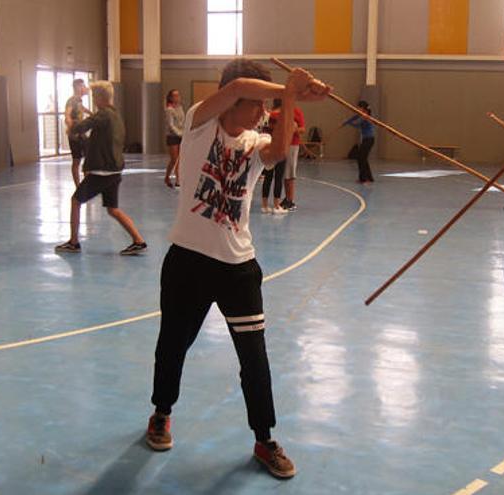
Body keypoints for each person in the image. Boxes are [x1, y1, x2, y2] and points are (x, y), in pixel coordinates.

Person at [145, 59, 330, 479]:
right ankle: (161, 413)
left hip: (237, 268)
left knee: (255, 359)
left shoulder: (254, 140)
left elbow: (280, 150)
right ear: (232, 98)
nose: (263, 113)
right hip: (187, 261)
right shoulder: (198, 124)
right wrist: (290, 87)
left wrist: (292, 95)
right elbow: (238, 86)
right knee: (172, 344)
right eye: (257, 104)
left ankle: (264, 439)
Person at [54, 81, 147, 256]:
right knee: (113, 209)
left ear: (98, 97)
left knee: (75, 201)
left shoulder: (103, 115)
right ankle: (138, 240)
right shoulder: (116, 114)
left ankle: (73, 242)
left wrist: (70, 124)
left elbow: (82, 126)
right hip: (114, 171)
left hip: (101, 172)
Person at [261, 99, 288, 214]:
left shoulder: (268, 114)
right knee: (278, 177)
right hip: (279, 148)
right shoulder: (281, 116)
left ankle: (264, 205)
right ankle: (276, 205)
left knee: (268, 177)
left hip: (268, 146)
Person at [65, 79, 91, 187]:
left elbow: (81, 108)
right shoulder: (71, 100)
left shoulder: (79, 100)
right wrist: (70, 127)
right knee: (76, 160)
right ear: (78, 87)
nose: (85, 88)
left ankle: (86, 183)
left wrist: (91, 113)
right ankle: (78, 186)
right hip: (75, 134)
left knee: (88, 158)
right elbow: (67, 114)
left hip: (81, 133)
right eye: (83, 86)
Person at [342, 101, 375, 184]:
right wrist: (346, 122)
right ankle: (368, 178)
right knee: (362, 158)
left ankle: (364, 179)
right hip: (365, 139)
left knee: (361, 158)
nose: (357, 109)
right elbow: (353, 118)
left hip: (369, 139)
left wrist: (348, 123)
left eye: (359, 107)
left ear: (363, 108)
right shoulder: (359, 115)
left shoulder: (365, 116)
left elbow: (357, 124)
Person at [280, 105, 304, 211]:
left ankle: (291, 200)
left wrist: (294, 129)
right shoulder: (281, 110)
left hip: (292, 145)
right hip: (283, 144)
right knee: (285, 174)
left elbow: (302, 129)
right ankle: (287, 198)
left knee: (290, 174)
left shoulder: (297, 112)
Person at [164, 88, 185, 188]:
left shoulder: (180, 107)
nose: (177, 97)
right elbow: (171, 125)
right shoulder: (169, 109)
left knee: (178, 160)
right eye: (175, 95)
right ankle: (172, 179)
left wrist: (184, 132)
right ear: (171, 98)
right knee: (174, 159)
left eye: (178, 95)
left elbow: (182, 121)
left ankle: (173, 179)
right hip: (172, 137)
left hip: (181, 135)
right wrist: (179, 133)